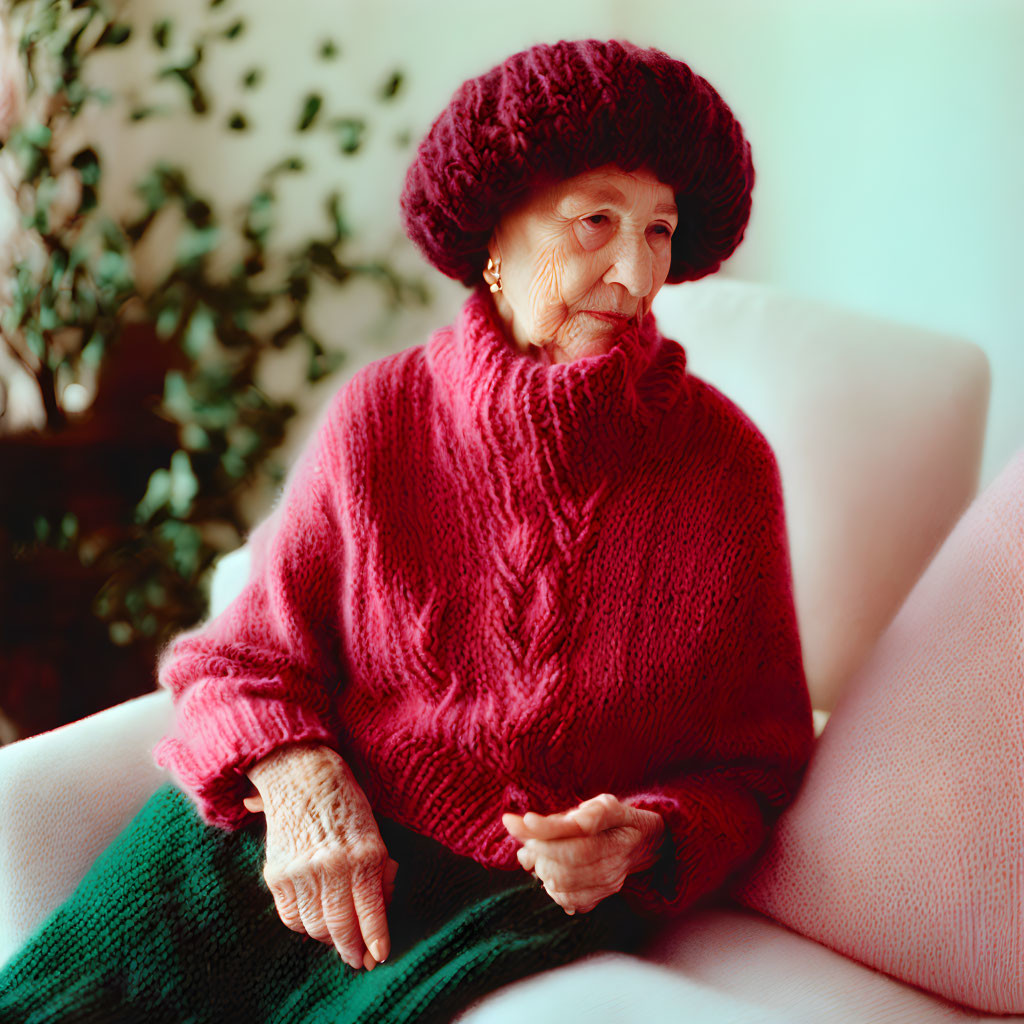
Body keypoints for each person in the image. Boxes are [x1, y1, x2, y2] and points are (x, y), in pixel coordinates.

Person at [153, 36, 814, 994]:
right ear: (495, 235)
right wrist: (300, 783)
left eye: (660, 230)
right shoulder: (381, 416)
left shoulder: (726, 468)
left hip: (508, 910)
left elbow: (758, 768)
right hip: (293, 839)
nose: (634, 272)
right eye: (596, 220)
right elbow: (239, 662)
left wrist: (647, 837)